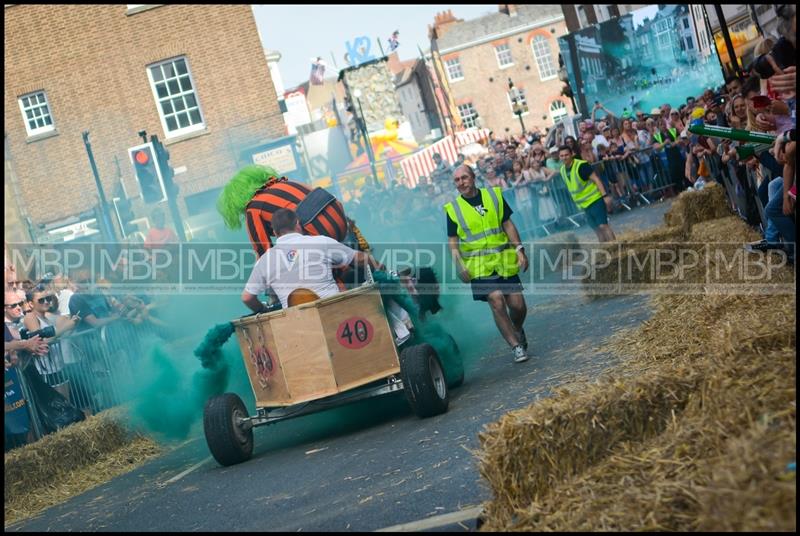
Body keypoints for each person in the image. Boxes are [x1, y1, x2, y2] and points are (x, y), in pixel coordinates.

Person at [444, 165, 530, 363]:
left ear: (473, 178)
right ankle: (516, 347)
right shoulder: (453, 209)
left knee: (518, 306)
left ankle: (517, 330)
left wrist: (519, 250)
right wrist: (459, 265)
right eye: (457, 180)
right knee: (496, 300)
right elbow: (453, 241)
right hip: (478, 266)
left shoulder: (494, 197)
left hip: (503, 261)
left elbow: (507, 224)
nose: (461, 183)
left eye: (464, 178)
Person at [242, 209, 383, 312]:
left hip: (298, 327)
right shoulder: (321, 242)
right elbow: (359, 258)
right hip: (337, 314)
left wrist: (263, 309)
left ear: (274, 233)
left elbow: (247, 298)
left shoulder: (264, 261)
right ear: (297, 224)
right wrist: (377, 266)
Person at [558, 146, 616, 242]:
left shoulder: (581, 166)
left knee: (603, 226)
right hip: (584, 205)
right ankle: (605, 250)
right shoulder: (562, 170)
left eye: (566, 155)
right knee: (596, 229)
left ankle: (616, 247)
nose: (564, 157)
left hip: (595, 200)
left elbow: (596, 179)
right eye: (562, 156)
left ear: (572, 154)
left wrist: (605, 196)